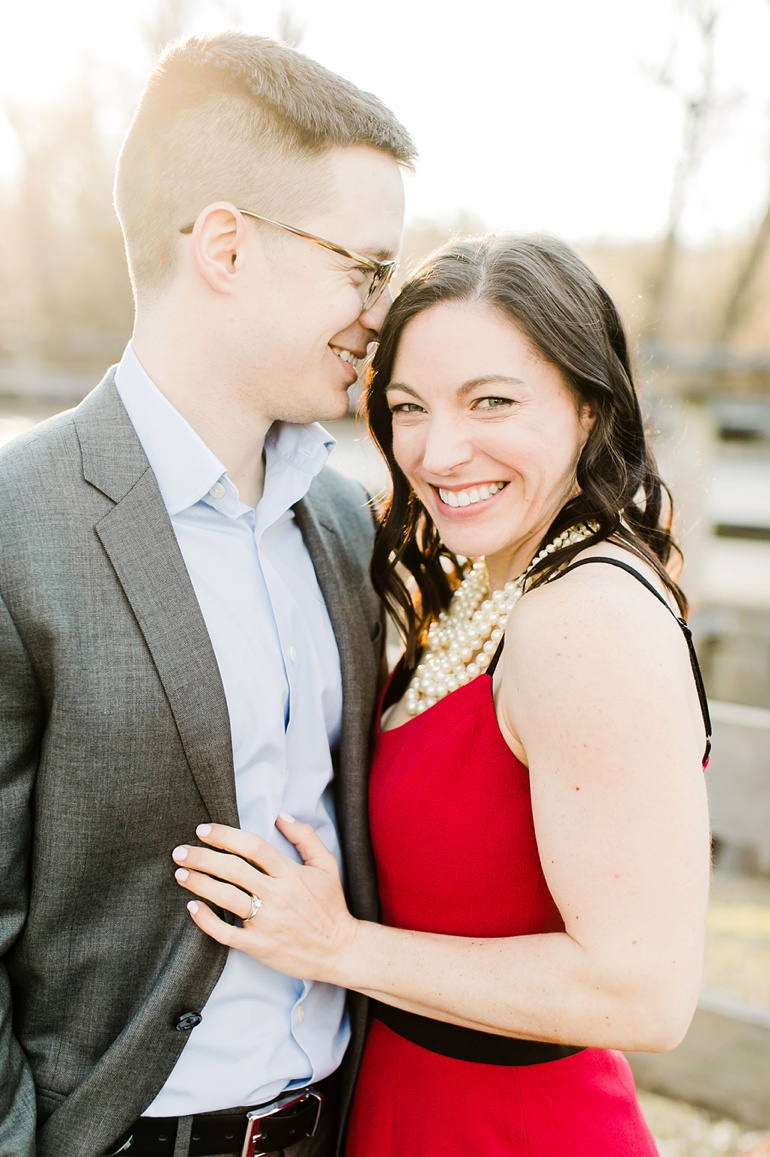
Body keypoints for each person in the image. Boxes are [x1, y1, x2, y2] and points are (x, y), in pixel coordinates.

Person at [170, 234, 713, 1155]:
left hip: (512, 1128)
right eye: (407, 406)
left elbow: (643, 992)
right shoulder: (489, 584)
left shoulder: (586, 618)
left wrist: (336, 946)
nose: (439, 449)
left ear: (588, 405)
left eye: (490, 400)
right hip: (404, 1101)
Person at [0, 30, 415, 1157]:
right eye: (365, 267)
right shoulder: (15, 522)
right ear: (226, 247)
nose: (383, 313)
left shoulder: (341, 520)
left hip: (341, 1123)